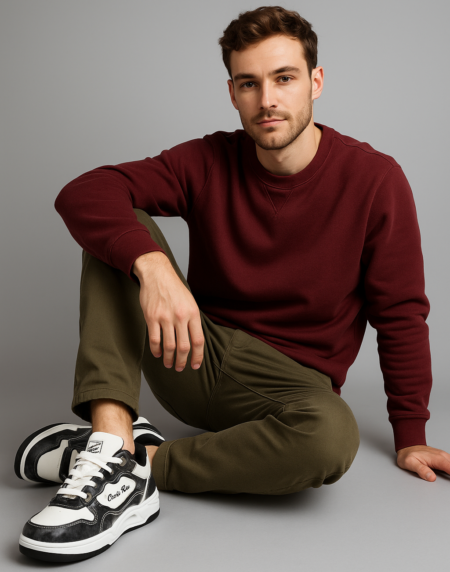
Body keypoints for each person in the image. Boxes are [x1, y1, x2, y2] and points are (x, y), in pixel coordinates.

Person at [15, 4, 450, 564]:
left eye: (284, 78)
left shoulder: (375, 180)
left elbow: (401, 312)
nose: (267, 99)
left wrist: (411, 433)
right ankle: (111, 437)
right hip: (194, 353)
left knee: (331, 436)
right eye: (250, 83)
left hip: (292, 388)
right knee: (120, 228)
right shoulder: (209, 160)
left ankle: (130, 466)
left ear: (316, 82)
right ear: (233, 94)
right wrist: (153, 266)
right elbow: (84, 192)